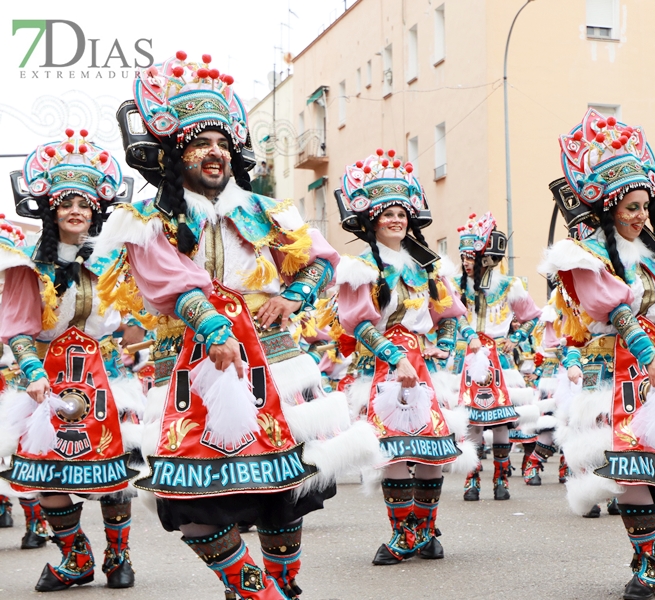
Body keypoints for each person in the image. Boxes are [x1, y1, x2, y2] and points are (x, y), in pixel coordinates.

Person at [97, 51, 358, 598]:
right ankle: (254, 590)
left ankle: (283, 590)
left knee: (285, 491)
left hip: (275, 361)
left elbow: (319, 261)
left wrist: (293, 297)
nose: (214, 153)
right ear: (175, 153)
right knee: (193, 499)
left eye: (221, 143)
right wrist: (215, 329)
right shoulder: (148, 221)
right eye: (199, 143)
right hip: (192, 365)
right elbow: (169, 282)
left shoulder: (266, 211)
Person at [542, 109, 655, 600]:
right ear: (608, 208)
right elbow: (613, 311)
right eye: (630, 207)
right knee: (628, 468)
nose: (641, 216)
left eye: (645, 206)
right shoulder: (586, 255)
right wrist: (648, 350)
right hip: (618, 369)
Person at [0, 134, 142, 591]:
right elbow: (18, 330)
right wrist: (35, 374)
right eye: (65, 202)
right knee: (47, 476)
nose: (76, 210)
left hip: (106, 378)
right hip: (48, 382)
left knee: (113, 474)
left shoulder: (113, 258)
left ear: (96, 209)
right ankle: (76, 556)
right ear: (51, 211)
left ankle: (118, 559)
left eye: (84, 202)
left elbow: (133, 319)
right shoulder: (28, 266)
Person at [333, 148, 475, 565]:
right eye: (386, 213)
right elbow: (357, 324)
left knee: (430, 448)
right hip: (384, 363)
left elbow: (449, 318)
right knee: (392, 449)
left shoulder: (429, 266)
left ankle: (423, 531)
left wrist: (441, 347)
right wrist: (396, 358)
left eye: (401, 212)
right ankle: (405, 532)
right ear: (371, 220)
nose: (396, 219)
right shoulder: (359, 267)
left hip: (423, 364)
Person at [454, 212, 541, 500]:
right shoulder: (455, 285)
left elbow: (533, 317)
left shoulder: (508, 286)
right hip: (467, 357)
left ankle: (501, 479)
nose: (466, 262)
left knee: (501, 420)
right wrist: (467, 337)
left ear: (486, 257)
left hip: (499, 360)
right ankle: (472, 479)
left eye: (471, 257)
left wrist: (515, 338)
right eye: (463, 256)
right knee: (472, 422)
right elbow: (451, 317)